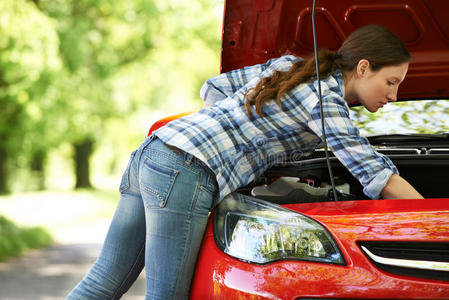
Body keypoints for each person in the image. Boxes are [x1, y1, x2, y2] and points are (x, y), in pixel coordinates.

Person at [67, 24, 423, 300]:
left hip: (157, 149)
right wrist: (432, 223)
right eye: (391, 82)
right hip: (186, 170)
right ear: (363, 68)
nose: (393, 95)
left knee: (103, 282)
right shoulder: (325, 100)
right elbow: (375, 174)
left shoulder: (291, 67)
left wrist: (237, 135)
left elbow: (214, 88)